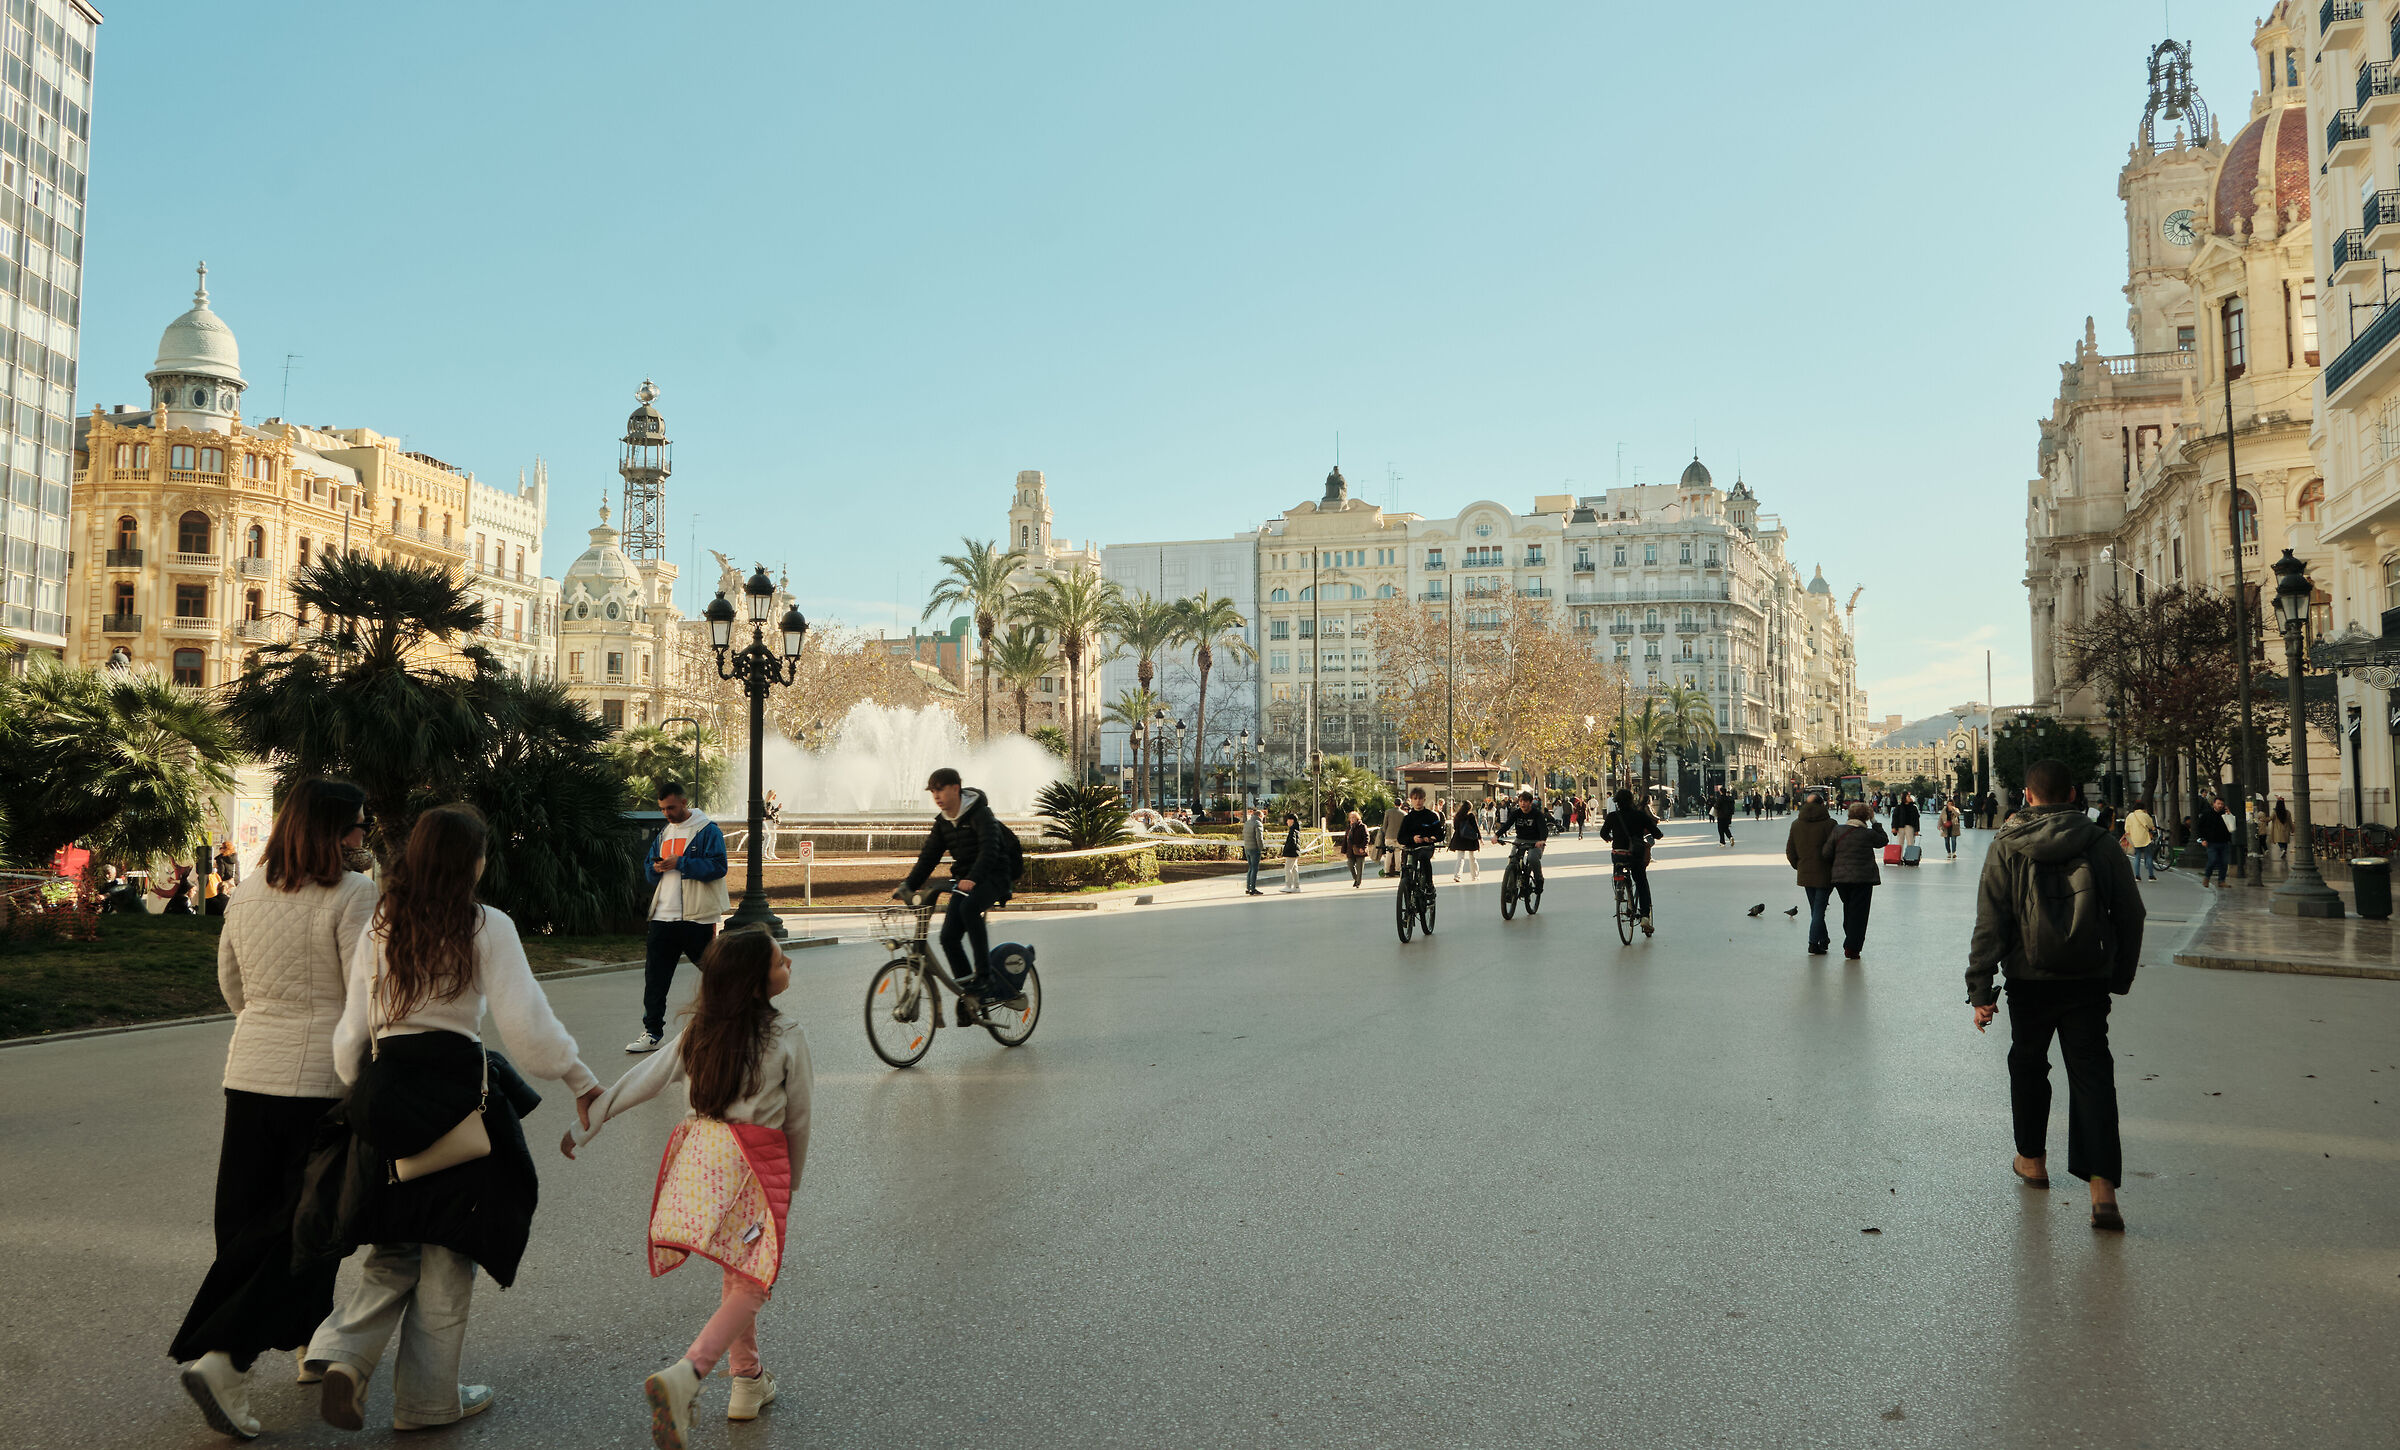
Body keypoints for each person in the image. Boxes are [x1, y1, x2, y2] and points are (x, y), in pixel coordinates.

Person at [306, 804, 602, 1432]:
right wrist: (580, 1078)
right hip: (459, 1103)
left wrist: (371, 1100)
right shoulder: (485, 924)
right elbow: (528, 1029)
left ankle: (342, 1356)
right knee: (449, 1248)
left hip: (386, 1089)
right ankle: (425, 1403)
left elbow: (350, 1033)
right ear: (472, 861)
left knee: (394, 1242)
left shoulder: (381, 923)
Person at [171, 781, 379, 1440]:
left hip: (249, 1071)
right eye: (359, 827)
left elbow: (230, 980)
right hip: (319, 1082)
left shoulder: (250, 890)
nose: (364, 838)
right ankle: (226, 1358)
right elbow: (362, 1000)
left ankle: (307, 1337)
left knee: (245, 1219)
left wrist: (265, 1026)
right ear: (336, 831)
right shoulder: (353, 895)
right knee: (304, 1225)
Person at [561, 928, 812, 1446]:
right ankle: (686, 1375)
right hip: (756, 1166)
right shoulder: (786, 1033)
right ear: (754, 983)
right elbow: (799, 1121)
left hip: (702, 1158)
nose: (789, 961)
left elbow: (644, 1078)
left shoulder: (700, 1030)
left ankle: (747, 1381)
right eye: (779, 960)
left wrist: (588, 1126)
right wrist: (791, 1185)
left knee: (737, 1267)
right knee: (756, 1280)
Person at [1968, 758, 2143, 1231]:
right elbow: (2131, 913)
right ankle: (2102, 1190)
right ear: (2071, 795)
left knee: (2028, 1064)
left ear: (2027, 796)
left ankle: (2032, 1160)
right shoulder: (2103, 843)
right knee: (2092, 1076)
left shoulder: (2006, 844)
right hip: (2087, 979)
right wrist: (2118, 975)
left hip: (2029, 977)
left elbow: (1992, 919)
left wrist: (1981, 988)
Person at [898, 767, 1022, 1021]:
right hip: (966, 880)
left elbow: (990, 850)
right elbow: (929, 857)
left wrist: (973, 878)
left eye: (940, 789)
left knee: (967, 909)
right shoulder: (943, 822)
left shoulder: (980, 814)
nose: (936, 796)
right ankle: (971, 994)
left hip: (995, 876)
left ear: (956, 788)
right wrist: (908, 886)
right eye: (932, 791)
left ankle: (985, 977)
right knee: (947, 937)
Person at [630, 781, 730, 1054]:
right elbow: (649, 871)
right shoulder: (664, 833)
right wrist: (657, 867)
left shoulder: (707, 830)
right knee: (655, 978)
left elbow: (719, 866)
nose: (667, 813)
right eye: (662, 809)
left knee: (716, 974)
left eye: (671, 807)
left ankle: (731, 1023)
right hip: (663, 917)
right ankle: (652, 1033)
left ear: (684, 802)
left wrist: (681, 863)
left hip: (697, 917)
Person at [1820, 802, 1889, 960]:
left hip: (1841, 879)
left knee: (1849, 908)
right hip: (1863, 879)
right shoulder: (1868, 834)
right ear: (1866, 817)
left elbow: (1826, 853)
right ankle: (1852, 947)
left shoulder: (1838, 831)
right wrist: (1875, 821)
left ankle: (1850, 940)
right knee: (1860, 913)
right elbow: (1883, 840)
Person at [1600, 788, 1664, 934]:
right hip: (1635, 855)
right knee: (1641, 882)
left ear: (1617, 802)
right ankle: (1645, 917)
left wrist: (1610, 838)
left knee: (1618, 867)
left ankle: (1620, 888)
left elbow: (1603, 833)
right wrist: (1658, 835)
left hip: (1618, 854)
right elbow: (1656, 833)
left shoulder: (1612, 816)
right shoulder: (1639, 815)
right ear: (1631, 800)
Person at [1785, 793, 1838, 955]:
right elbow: (1837, 850)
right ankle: (1813, 943)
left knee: (1815, 908)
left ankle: (1824, 938)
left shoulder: (1796, 824)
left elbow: (1790, 851)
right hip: (1825, 873)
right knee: (1819, 909)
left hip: (1805, 873)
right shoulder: (1831, 824)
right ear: (1822, 804)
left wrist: (1799, 866)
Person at [1494, 789, 1550, 890]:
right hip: (1519, 840)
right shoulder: (1516, 813)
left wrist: (1542, 840)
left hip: (1535, 841)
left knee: (1532, 858)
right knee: (1512, 860)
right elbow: (1507, 825)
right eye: (1520, 801)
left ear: (1530, 802)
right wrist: (1497, 835)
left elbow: (1543, 829)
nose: (1522, 803)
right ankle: (1510, 889)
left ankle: (1539, 879)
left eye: (1525, 801)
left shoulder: (1537, 814)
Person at [2195, 795, 2232, 888]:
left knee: (2224, 862)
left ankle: (2222, 881)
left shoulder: (2225, 815)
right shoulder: (2207, 814)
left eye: (2222, 804)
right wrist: (2202, 839)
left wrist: (2229, 815)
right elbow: (2199, 828)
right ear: (2214, 804)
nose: (2220, 806)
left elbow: (2232, 827)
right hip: (2211, 842)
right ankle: (2206, 878)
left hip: (2224, 842)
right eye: (2218, 803)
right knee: (2213, 860)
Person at [2121, 798, 2158, 880]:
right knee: (2148, 856)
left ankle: (2137, 876)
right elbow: (2151, 826)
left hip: (2134, 840)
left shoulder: (2130, 816)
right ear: (2143, 808)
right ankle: (2151, 876)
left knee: (2137, 856)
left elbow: (2126, 828)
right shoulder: (2145, 815)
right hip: (2145, 839)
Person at [1449, 799, 1482, 882]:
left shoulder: (1457, 816)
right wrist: (1480, 838)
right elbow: (1475, 827)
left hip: (1460, 838)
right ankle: (1475, 876)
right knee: (1472, 858)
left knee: (1460, 858)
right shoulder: (1471, 816)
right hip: (1470, 839)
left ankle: (1457, 876)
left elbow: (1456, 828)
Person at [1343, 810, 1370, 888]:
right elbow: (1346, 839)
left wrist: (1363, 847)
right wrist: (1344, 849)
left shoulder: (1362, 826)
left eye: (1353, 818)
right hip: (1351, 850)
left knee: (1359, 867)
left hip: (1359, 850)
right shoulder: (1349, 827)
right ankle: (1356, 878)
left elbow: (1366, 838)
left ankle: (1358, 882)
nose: (1352, 819)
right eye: (1350, 818)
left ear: (1357, 818)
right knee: (1350, 865)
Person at [1241, 808, 1265, 896]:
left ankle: (1248, 887)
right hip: (1255, 848)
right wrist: (1261, 848)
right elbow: (1259, 838)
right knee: (1255, 869)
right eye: (1262, 817)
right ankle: (1253, 888)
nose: (1262, 819)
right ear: (1259, 816)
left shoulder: (1247, 823)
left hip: (1247, 848)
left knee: (1250, 868)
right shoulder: (1258, 824)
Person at [1890, 794, 1920, 863]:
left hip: (1910, 826)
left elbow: (1916, 819)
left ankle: (1910, 858)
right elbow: (1895, 817)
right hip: (1900, 827)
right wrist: (1894, 827)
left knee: (1910, 842)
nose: (1910, 798)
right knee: (1900, 843)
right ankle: (1899, 858)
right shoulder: (1899, 807)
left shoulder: (1913, 807)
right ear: (1904, 798)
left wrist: (1917, 830)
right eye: (1908, 796)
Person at [1278, 813, 1302, 892]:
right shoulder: (1297, 828)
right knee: (1294, 869)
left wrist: (1287, 850)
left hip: (1291, 853)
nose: (1286, 822)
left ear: (1291, 820)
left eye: (1287, 820)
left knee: (1288, 869)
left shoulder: (1292, 830)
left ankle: (1288, 885)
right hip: (1295, 852)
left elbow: (1292, 842)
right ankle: (1296, 887)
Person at [760, 789, 781, 862]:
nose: (775, 796)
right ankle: (770, 853)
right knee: (772, 838)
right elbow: (768, 813)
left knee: (769, 838)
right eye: (774, 795)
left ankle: (767, 853)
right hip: (770, 822)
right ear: (772, 795)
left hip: (767, 821)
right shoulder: (769, 803)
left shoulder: (766, 802)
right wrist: (777, 809)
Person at [2270, 797, 2293, 862]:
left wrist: (2262, 819)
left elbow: (2270, 818)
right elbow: (2290, 821)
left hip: (2278, 830)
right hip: (2286, 830)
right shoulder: (2287, 812)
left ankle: (2282, 849)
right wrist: (2292, 829)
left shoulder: (2275, 812)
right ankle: (2284, 850)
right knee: (2285, 841)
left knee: (2279, 841)